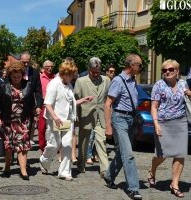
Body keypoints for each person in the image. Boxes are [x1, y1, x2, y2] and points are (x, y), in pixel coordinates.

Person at [39, 61, 93, 181]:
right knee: (54, 144)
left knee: (67, 145)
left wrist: (83, 100)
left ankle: (64, 172)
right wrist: (55, 117)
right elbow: (47, 103)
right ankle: (44, 160)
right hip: (56, 119)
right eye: (71, 75)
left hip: (67, 119)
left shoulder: (68, 84)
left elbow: (70, 102)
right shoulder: (54, 84)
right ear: (65, 73)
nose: (73, 77)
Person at [104, 53, 143, 200]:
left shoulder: (133, 80)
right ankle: (133, 188)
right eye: (139, 65)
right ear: (131, 65)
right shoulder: (118, 81)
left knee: (122, 153)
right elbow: (108, 104)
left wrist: (138, 125)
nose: (141, 67)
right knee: (129, 155)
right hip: (119, 119)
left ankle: (109, 176)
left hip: (131, 119)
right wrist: (108, 127)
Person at [148, 59, 189, 198]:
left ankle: (175, 184)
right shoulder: (158, 85)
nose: (167, 72)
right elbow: (154, 107)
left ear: (177, 71)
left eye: (170, 69)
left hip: (181, 122)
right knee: (162, 154)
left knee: (180, 153)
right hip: (163, 122)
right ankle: (152, 171)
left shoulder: (184, 84)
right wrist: (156, 123)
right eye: (164, 70)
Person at [0, 61, 36, 180]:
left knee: (23, 145)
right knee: (9, 146)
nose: (16, 78)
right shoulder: (3, 86)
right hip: (8, 120)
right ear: (10, 75)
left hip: (23, 120)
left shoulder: (28, 86)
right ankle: (7, 166)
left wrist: (36, 112)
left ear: (22, 75)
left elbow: (32, 103)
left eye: (18, 76)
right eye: (14, 76)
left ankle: (23, 170)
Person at [74, 57, 110, 177]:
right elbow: (75, 99)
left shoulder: (106, 80)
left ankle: (105, 169)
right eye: (93, 72)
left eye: (97, 72)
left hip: (101, 115)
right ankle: (81, 164)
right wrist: (76, 118)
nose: (95, 74)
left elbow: (109, 100)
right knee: (84, 142)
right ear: (88, 69)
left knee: (101, 140)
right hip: (86, 115)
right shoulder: (81, 81)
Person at [20, 52, 43, 142]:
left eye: (27, 62)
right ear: (20, 61)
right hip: (16, 105)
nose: (26, 64)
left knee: (28, 127)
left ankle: (25, 146)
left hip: (30, 105)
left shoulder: (35, 72)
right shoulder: (14, 71)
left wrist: (38, 106)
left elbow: (38, 90)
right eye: (24, 62)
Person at [38, 60, 55, 153]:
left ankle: (53, 146)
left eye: (51, 66)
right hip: (43, 105)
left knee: (53, 128)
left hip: (54, 106)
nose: (50, 68)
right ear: (44, 67)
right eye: (48, 66)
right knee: (42, 128)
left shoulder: (56, 78)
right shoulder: (40, 78)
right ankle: (42, 147)